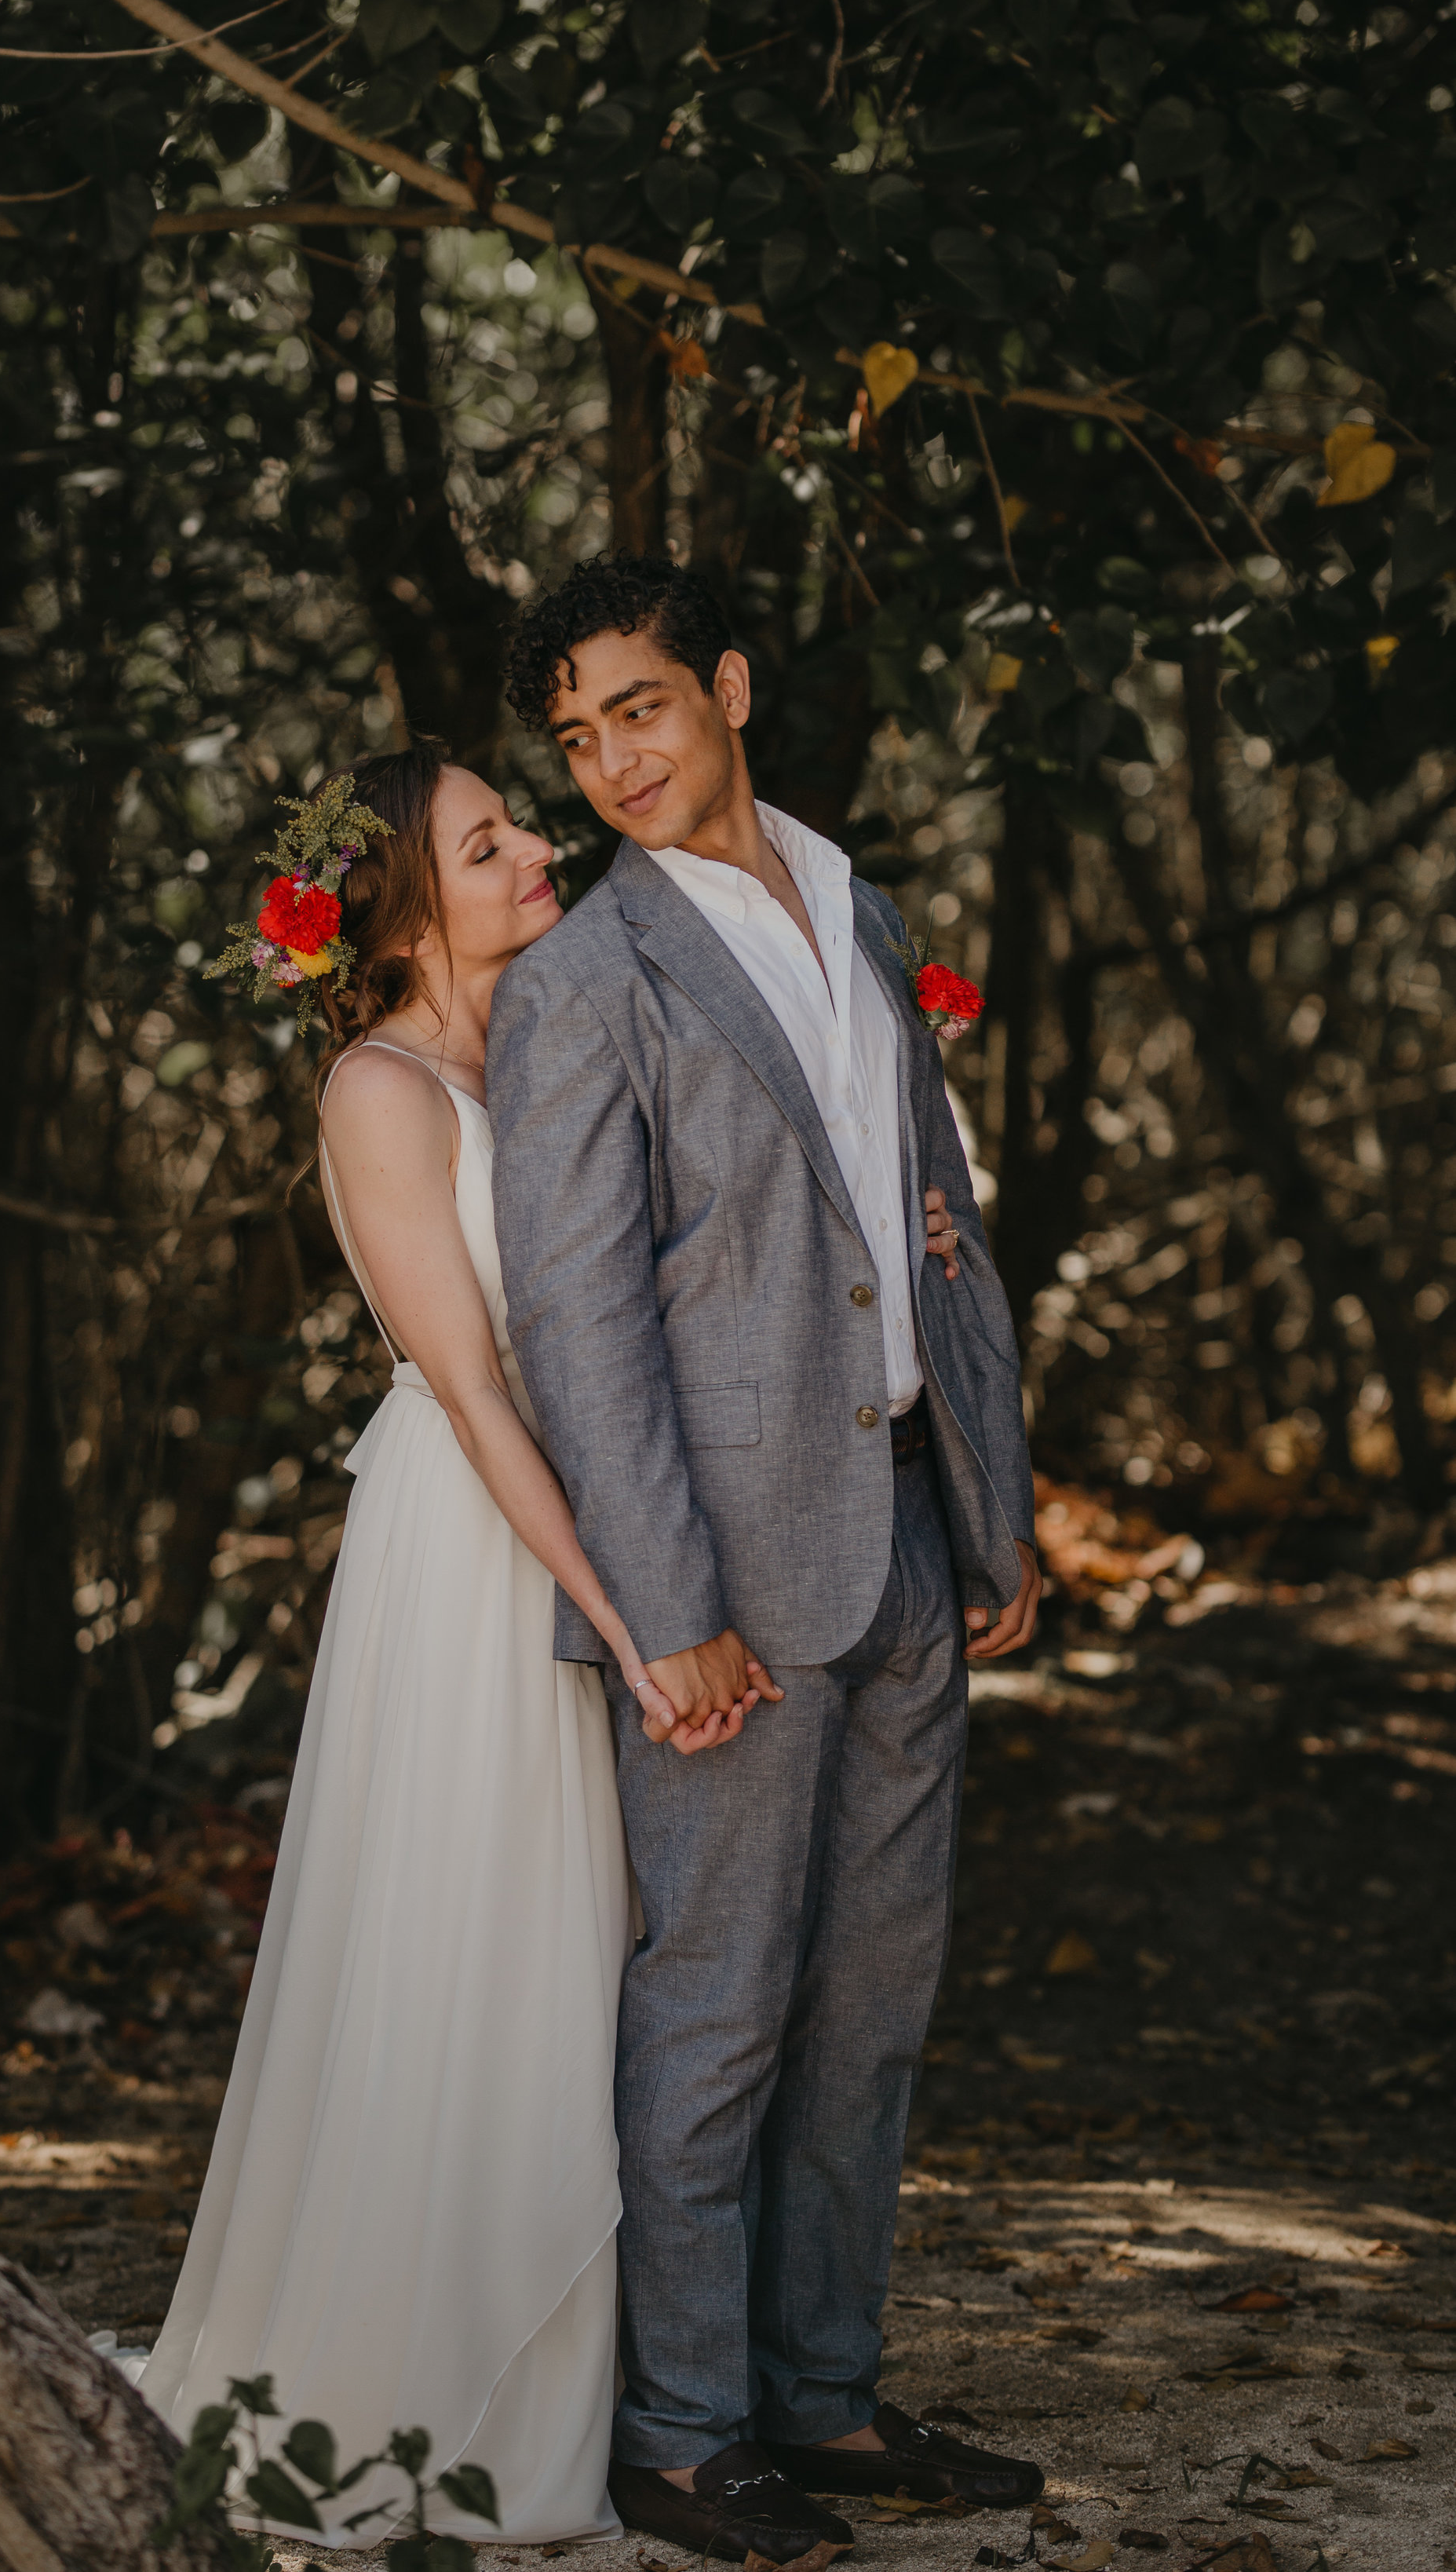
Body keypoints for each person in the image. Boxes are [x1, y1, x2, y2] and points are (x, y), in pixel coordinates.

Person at [106, 740, 975, 2564]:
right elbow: (479, 1394)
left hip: (652, 1531)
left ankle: (684, 2386)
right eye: (484, 844)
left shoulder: (572, 1030)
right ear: (402, 916)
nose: (533, 854)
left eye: (518, 827)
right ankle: (462, 2382)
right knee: (494, 1963)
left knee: (635, 1971)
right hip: (497, 1565)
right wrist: (636, 1624)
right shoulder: (384, 1089)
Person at [486, 553, 1049, 2553]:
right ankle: (678, 2432)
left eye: (636, 708)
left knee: (872, 2002)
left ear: (723, 686)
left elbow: (934, 1210)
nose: (610, 760)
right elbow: (578, 1325)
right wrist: (665, 1609)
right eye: (572, 739)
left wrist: (993, 1490)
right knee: (714, 2006)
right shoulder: (582, 986)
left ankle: (822, 2399)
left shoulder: (860, 907)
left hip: (904, 1526)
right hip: (720, 1573)